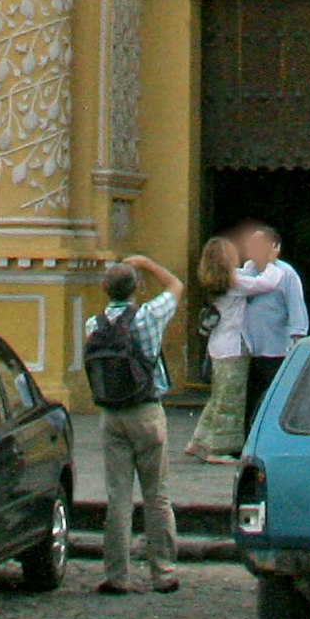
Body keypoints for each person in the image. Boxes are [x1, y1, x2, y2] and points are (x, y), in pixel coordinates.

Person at [82, 254, 185, 595]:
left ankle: (116, 575)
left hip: (111, 415)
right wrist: (148, 264)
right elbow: (176, 286)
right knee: (156, 496)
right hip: (146, 411)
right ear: (137, 287)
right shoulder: (148, 317)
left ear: (103, 289)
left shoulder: (92, 325)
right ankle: (164, 572)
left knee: (118, 498)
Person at [187, 234, 281, 461]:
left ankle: (199, 441)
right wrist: (270, 261)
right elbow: (267, 282)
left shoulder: (215, 283)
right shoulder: (235, 283)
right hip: (234, 347)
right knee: (231, 401)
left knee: (218, 396)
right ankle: (218, 449)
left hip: (218, 345)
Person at [236, 220, 310, 429]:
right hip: (252, 348)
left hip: (277, 348)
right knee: (251, 400)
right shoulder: (246, 272)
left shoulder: (286, 274)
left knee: (274, 399)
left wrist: (297, 339)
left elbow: (296, 308)